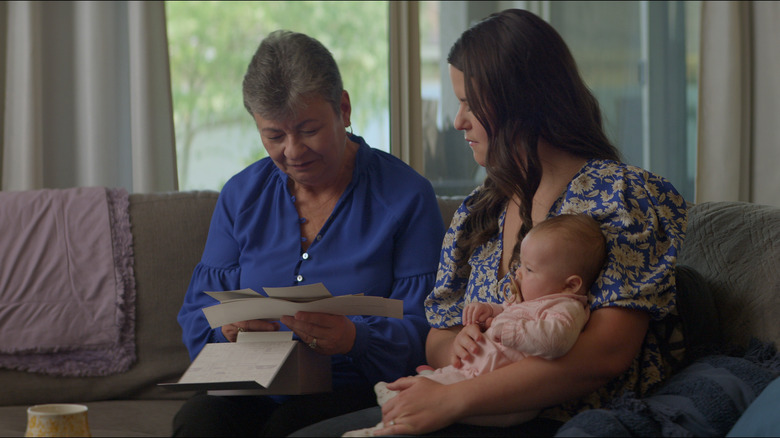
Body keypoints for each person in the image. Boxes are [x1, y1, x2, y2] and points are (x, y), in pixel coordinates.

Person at [291, 8, 688, 437]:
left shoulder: (621, 196)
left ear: (520, 99)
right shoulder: (478, 212)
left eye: (468, 103)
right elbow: (437, 336)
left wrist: (452, 399)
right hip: (466, 405)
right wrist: (456, 347)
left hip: (563, 417)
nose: (458, 120)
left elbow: (604, 355)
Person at [172, 30, 445, 437]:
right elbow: (198, 313)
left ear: (344, 109)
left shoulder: (406, 196)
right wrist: (224, 331)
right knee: (198, 423)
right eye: (275, 136)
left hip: (356, 385)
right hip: (255, 382)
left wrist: (357, 337)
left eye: (308, 129)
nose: (293, 151)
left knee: (289, 429)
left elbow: (430, 327)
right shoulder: (240, 195)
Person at [343, 214, 607, 436]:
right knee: (426, 386)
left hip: (504, 402)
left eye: (529, 269)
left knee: (432, 396)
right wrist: (489, 311)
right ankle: (395, 399)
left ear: (570, 284)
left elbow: (555, 340)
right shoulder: (533, 298)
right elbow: (509, 313)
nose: (518, 273)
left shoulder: (567, 307)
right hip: (475, 374)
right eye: (520, 266)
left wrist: (505, 330)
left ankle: (385, 429)